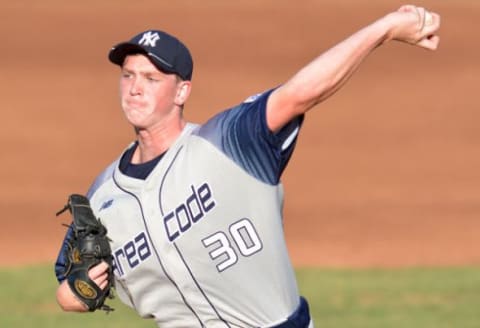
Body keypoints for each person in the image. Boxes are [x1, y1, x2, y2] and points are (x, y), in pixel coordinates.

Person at [54, 5, 440, 327]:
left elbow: (300, 93)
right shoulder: (103, 196)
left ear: (182, 91)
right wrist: (77, 291)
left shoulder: (228, 142)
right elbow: (69, 290)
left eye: (152, 78)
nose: (135, 88)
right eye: (128, 76)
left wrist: (385, 29)